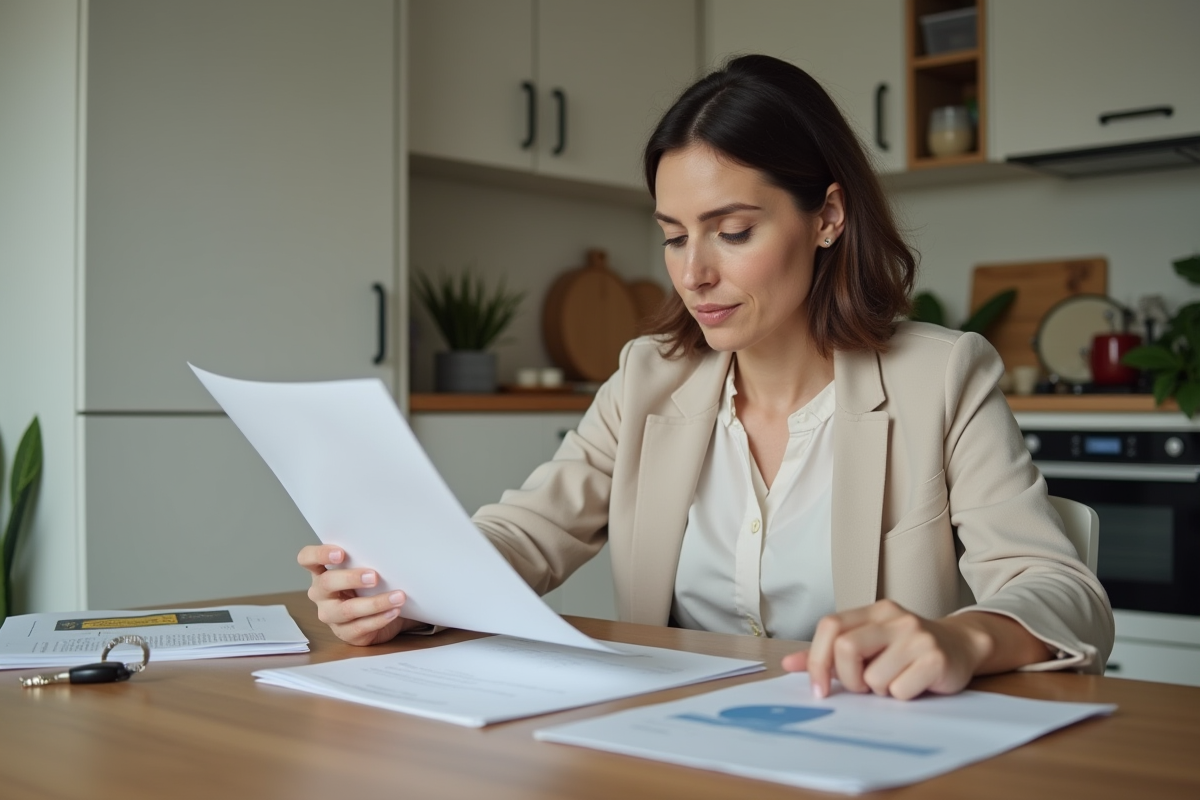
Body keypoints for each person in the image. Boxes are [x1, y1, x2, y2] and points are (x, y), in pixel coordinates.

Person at [299, 55, 1113, 701]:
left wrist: (960, 638)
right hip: (678, 751)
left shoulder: (942, 377)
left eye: (731, 231)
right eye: (673, 235)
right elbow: (525, 537)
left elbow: (1057, 588)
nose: (694, 273)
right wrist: (398, 590)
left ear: (827, 216)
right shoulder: (649, 379)